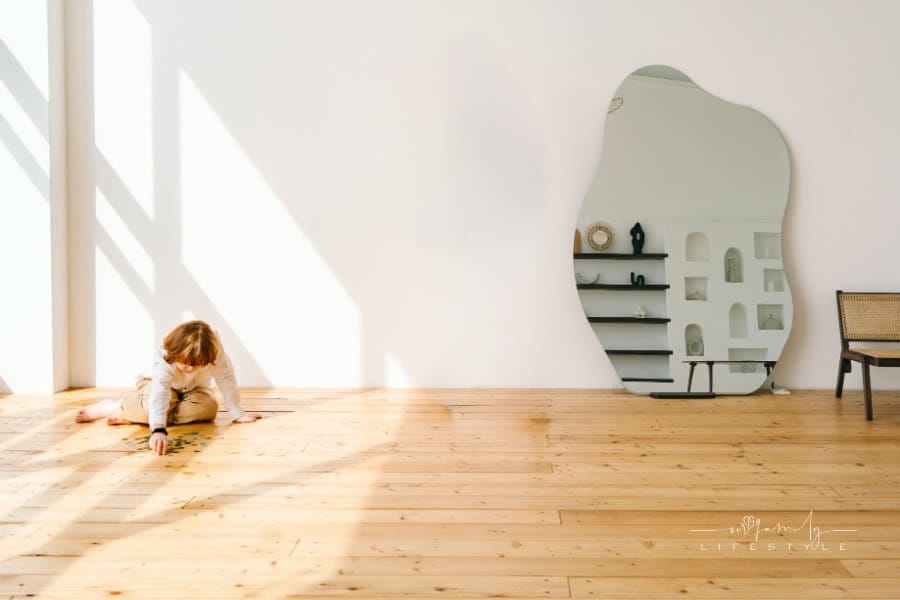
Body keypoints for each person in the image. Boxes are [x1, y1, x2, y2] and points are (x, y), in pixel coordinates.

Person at [74, 320, 261, 455]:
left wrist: (237, 413)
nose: (189, 369)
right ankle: (113, 407)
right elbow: (160, 392)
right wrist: (158, 430)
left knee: (208, 408)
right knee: (159, 404)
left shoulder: (214, 352)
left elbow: (226, 379)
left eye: (197, 365)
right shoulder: (165, 355)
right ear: (175, 353)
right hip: (155, 385)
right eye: (185, 363)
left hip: (192, 389)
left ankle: (146, 416)